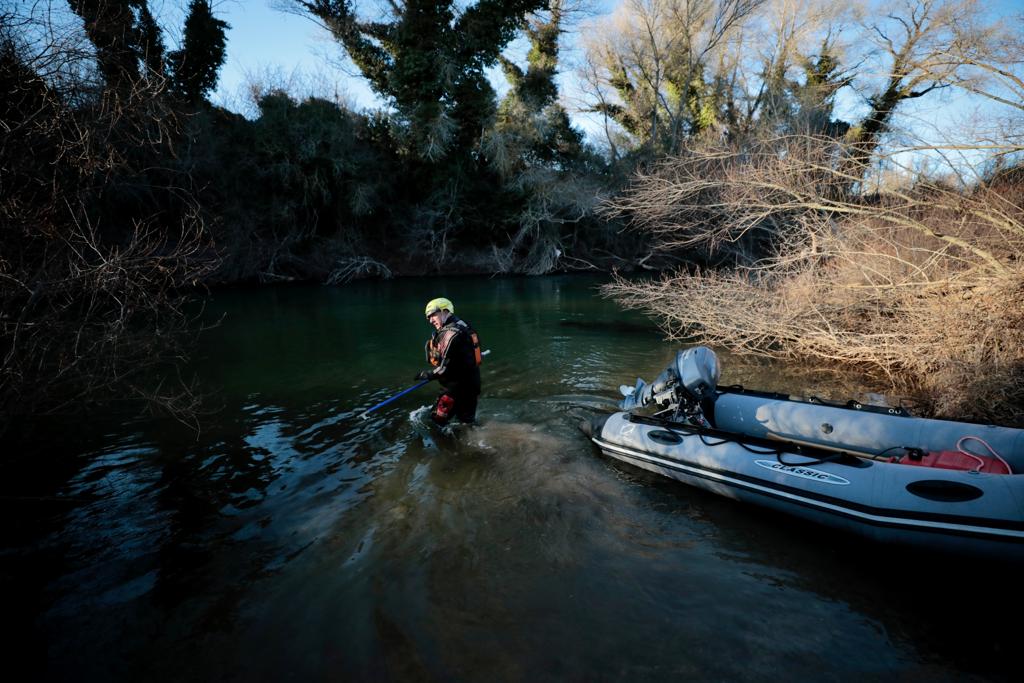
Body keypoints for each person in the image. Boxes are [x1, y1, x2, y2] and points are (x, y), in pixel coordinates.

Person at [414, 297, 482, 425]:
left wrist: (428, 374)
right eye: (428, 317)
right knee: (467, 422)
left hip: (454, 389)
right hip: (473, 384)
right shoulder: (465, 326)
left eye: (432, 315)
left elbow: (443, 368)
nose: (430, 320)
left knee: (435, 422)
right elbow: (474, 354)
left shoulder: (450, 334)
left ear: (445, 311)